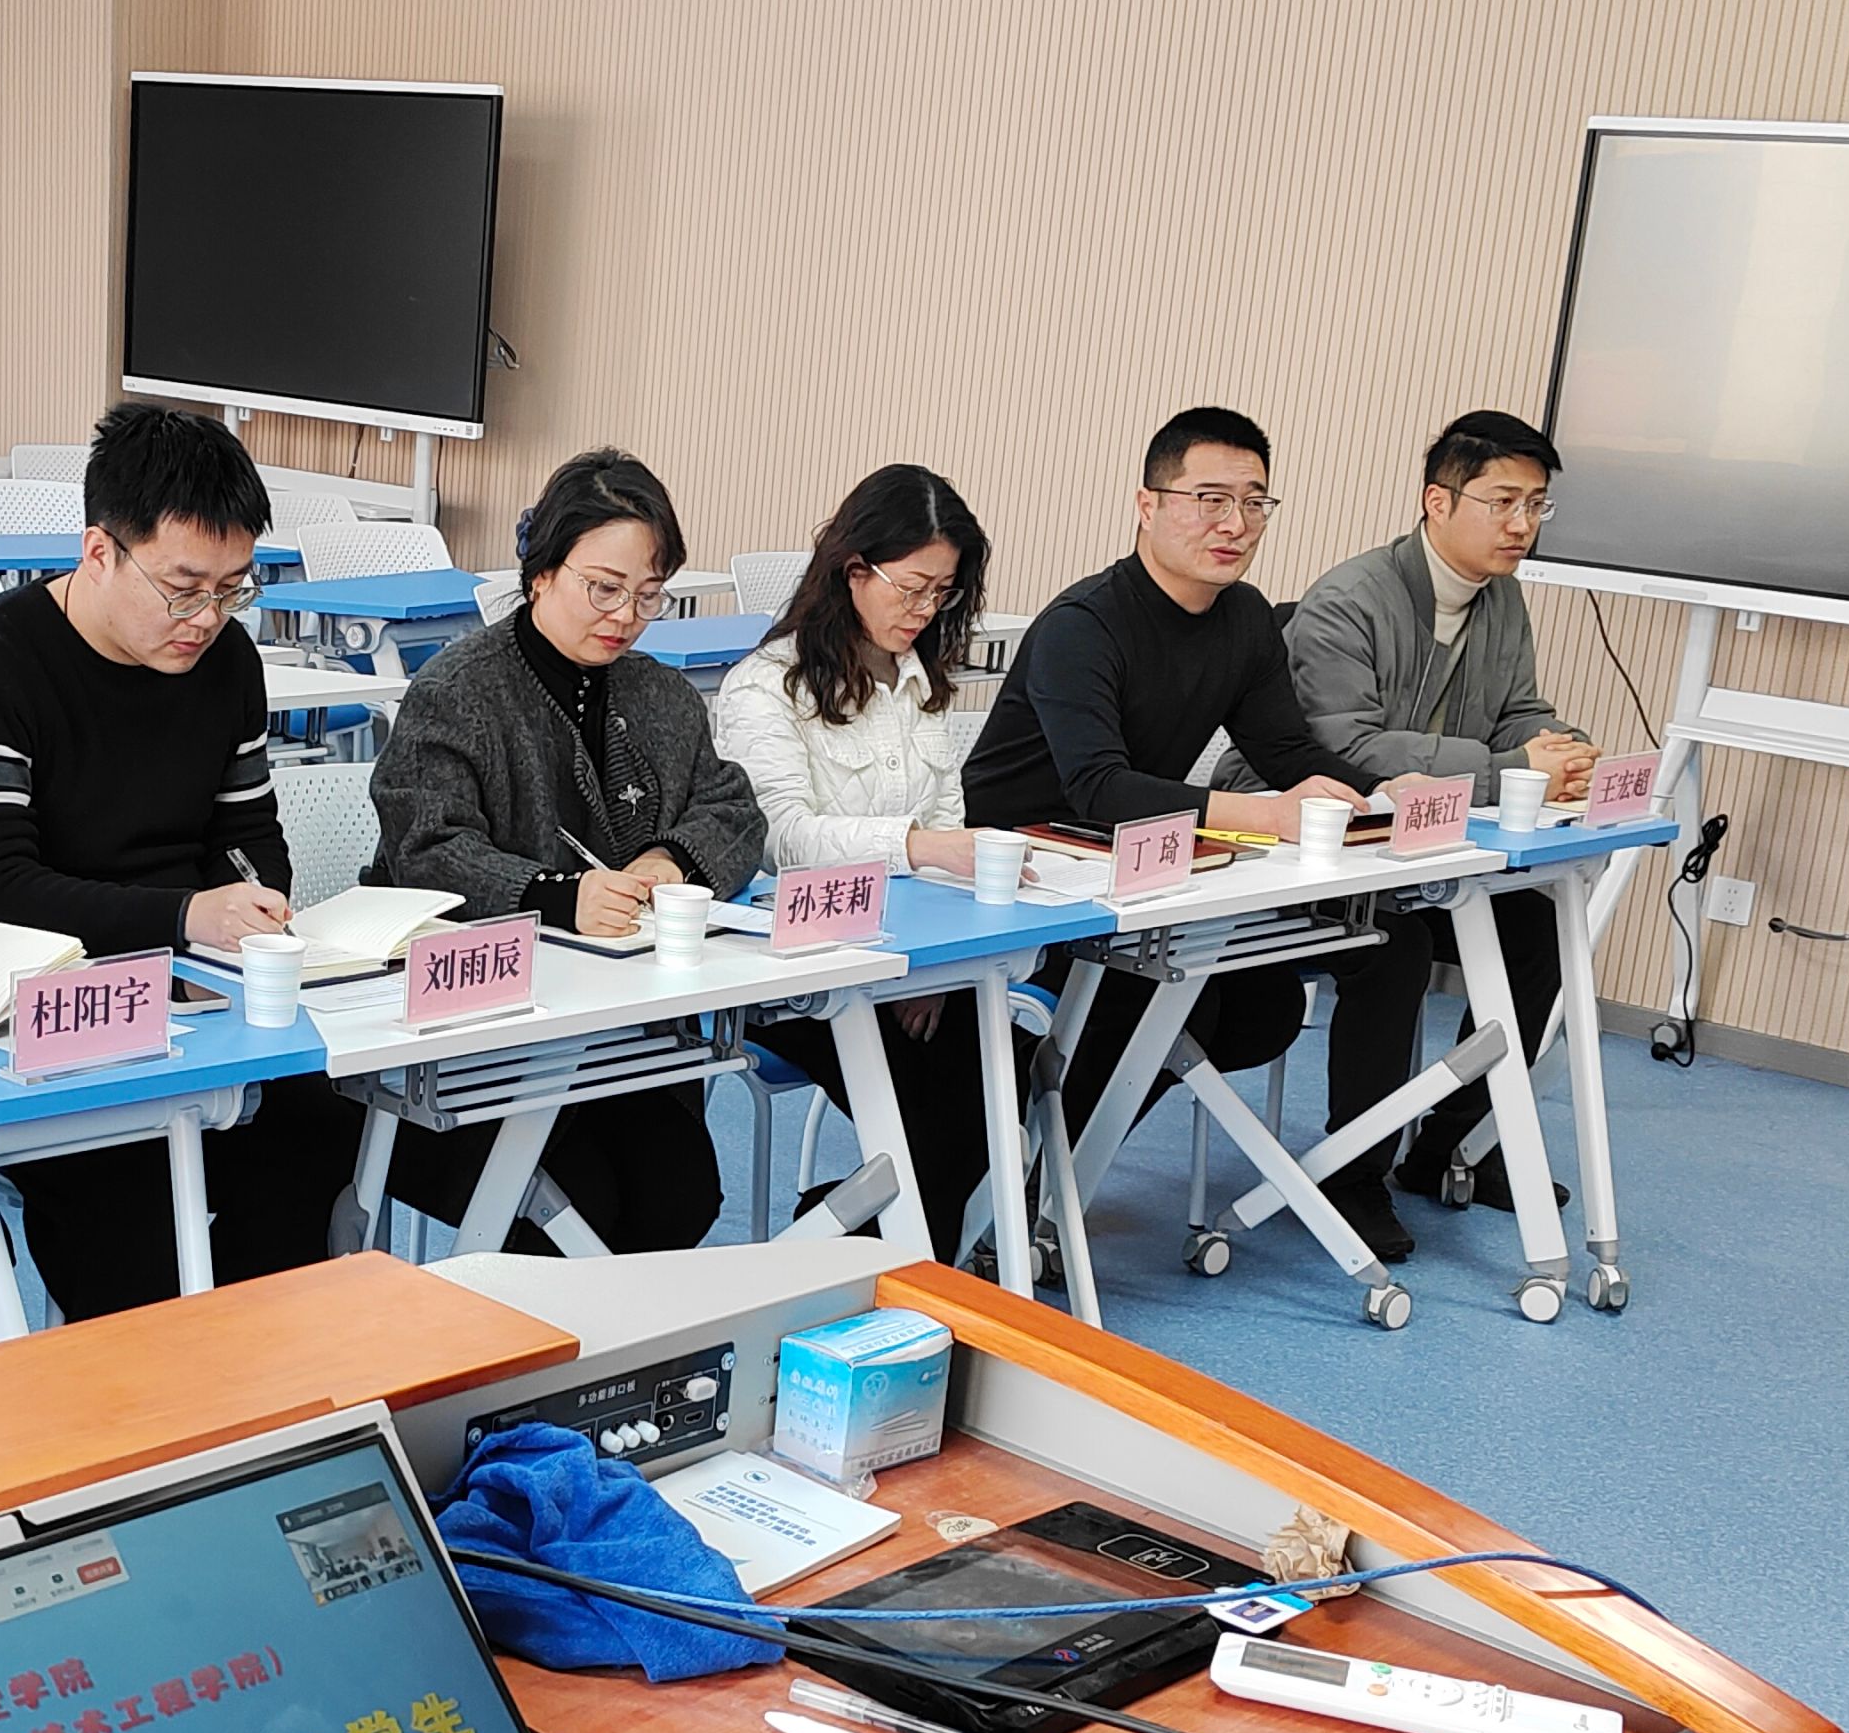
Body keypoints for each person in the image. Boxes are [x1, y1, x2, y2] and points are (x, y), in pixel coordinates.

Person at [0, 401, 360, 1313]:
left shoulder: (226, 660)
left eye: (233, 589)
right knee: (128, 1226)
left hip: (192, 996)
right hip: (30, 1011)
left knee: (322, 1127)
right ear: (99, 552)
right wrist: (185, 919)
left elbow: (249, 835)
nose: (207, 618)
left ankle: (248, 1364)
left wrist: (254, 903)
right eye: (183, 588)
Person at [959, 407, 1385, 1239]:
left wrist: (1389, 793)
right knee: (1154, 996)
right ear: (1147, 504)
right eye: (1210, 499)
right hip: (1027, 879)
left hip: (1142, 871)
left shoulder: (1246, 617)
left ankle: (1047, 1182)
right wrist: (1267, 814)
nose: (1235, 524)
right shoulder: (1083, 625)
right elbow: (1097, 788)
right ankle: (1013, 1207)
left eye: (1255, 503)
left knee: (1263, 1004)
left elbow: (1286, 749)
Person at [370, 448, 768, 1252]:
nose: (625, 615)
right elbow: (425, 849)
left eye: (648, 595)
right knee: (571, 1211)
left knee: (682, 1194)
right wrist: (557, 895)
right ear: (542, 572)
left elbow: (735, 811)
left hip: (620, 1030)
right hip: (476, 1041)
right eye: (604, 588)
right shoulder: (459, 689)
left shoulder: (659, 693)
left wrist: (667, 862)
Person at [1288, 411, 1594, 1229]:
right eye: (1502, 502)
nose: (1522, 524)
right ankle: (1352, 1174)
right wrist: (1512, 767)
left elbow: (1517, 711)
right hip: (1327, 851)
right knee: (1398, 946)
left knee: (1536, 931)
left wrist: (1564, 750)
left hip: (1425, 852)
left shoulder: (1501, 599)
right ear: (1438, 501)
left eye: (1536, 504)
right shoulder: (1348, 599)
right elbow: (1344, 746)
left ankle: (1451, 1147)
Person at [712, 464, 1009, 1255]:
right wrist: (915, 847)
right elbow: (779, 838)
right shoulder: (765, 686)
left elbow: (949, 821)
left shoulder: (918, 680)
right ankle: (866, 1263)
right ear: (853, 571)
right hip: (796, 966)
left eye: (942, 592)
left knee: (1008, 1077)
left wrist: (939, 967)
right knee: (939, 1111)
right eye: (911, 587)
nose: (925, 610)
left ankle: (848, 1244)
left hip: (907, 959)